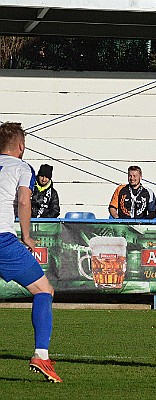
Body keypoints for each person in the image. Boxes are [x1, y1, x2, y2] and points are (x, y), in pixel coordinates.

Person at [0, 122, 62, 382]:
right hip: (3, 239)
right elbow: (25, 200)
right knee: (44, 290)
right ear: (21, 146)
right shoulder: (22, 167)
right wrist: (26, 236)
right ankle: (41, 355)